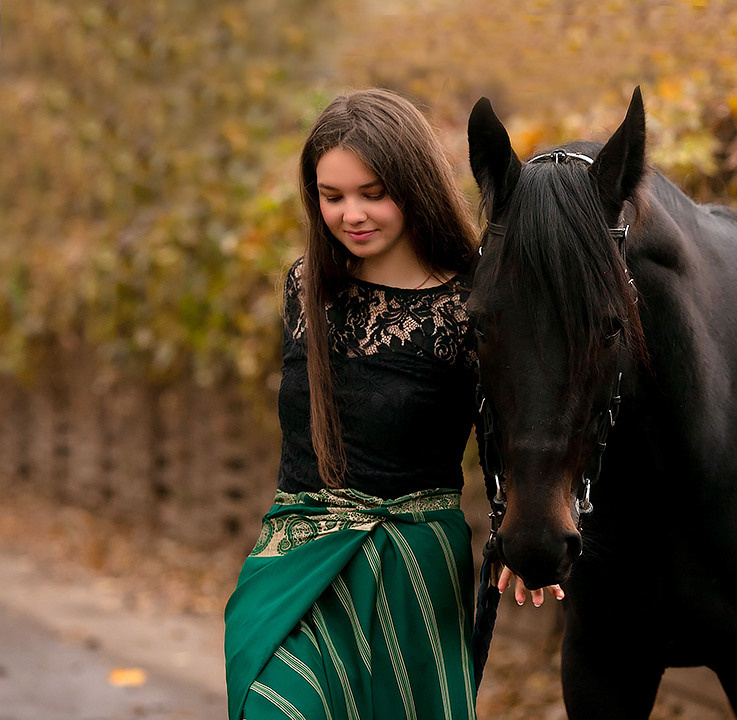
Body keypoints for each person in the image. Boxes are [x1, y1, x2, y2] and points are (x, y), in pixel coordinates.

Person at [223, 88, 561, 720]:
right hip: (294, 564)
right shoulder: (305, 285)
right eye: (332, 196)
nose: (351, 214)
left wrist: (525, 531)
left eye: (372, 193)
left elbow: (520, 424)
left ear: (414, 185)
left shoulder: (472, 304)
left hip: (413, 573)